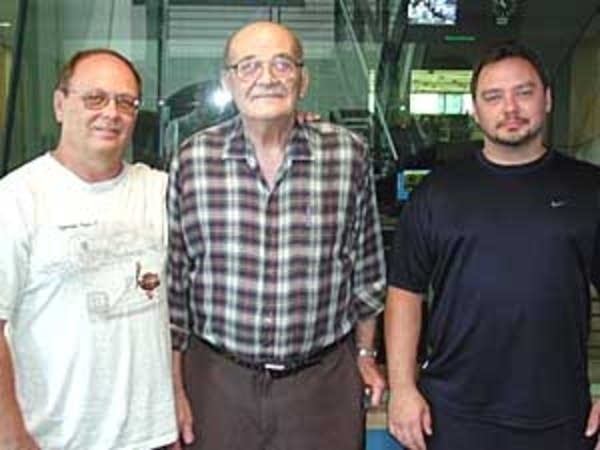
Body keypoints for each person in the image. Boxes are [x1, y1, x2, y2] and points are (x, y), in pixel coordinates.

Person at [167, 20, 387, 450]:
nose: (266, 78)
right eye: (248, 66)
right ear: (227, 82)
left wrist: (365, 355)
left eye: (281, 64)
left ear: (303, 80)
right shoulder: (193, 160)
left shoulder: (347, 155)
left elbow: (367, 271)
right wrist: (174, 388)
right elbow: (174, 288)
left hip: (322, 383)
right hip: (216, 382)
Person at [385, 41, 600, 450]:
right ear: (475, 109)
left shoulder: (590, 189)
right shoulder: (437, 192)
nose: (510, 108)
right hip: (451, 414)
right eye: (493, 97)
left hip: (560, 415)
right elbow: (404, 293)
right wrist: (402, 387)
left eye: (524, 92)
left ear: (548, 98)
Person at [0, 49, 177, 449]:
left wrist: (292, 129)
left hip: (153, 437)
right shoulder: (16, 199)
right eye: (94, 98)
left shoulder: (160, 191)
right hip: (54, 439)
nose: (111, 113)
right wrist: (10, 433)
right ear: (60, 104)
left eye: (125, 102)